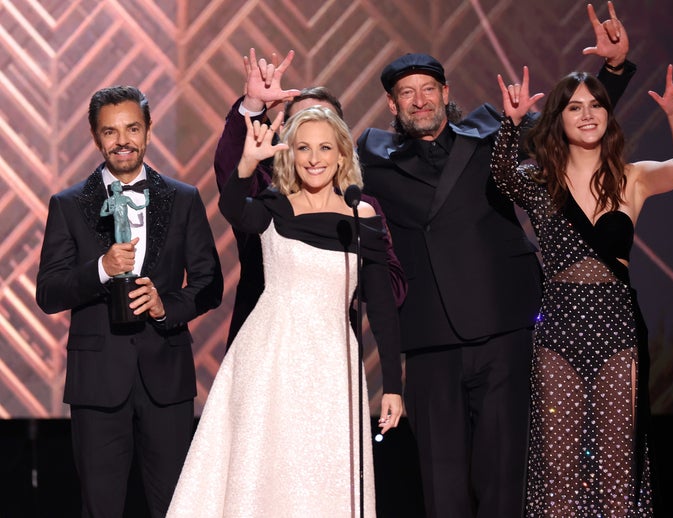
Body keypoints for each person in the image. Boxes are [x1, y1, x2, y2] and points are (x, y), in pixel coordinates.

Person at [355, 3, 635, 516]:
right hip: (429, 335)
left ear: (446, 94)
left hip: (503, 325)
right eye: (406, 94)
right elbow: (309, 170)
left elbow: (572, 132)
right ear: (392, 105)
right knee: (441, 486)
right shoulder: (371, 156)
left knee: (505, 475)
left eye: (428, 89)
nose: (419, 101)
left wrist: (612, 72)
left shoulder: (492, 129)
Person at [167, 105, 404, 517]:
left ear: (342, 155)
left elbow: (382, 306)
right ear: (290, 154)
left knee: (323, 472)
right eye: (303, 148)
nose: (314, 158)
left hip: (333, 364)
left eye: (325, 147)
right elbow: (232, 208)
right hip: (270, 357)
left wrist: (394, 385)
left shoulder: (360, 215)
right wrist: (245, 163)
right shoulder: (273, 206)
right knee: (264, 468)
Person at [492, 63, 673, 515]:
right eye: (574, 107)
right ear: (558, 119)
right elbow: (501, 178)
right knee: (559, 465)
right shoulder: (539, 179)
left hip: (616, 329)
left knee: (617, 465)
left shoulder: (632, 177)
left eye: (596, 105)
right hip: (559, 330)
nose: (587, 115)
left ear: (608, 114)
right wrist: (509, 124)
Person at [35, 85, 224, 518]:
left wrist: (166, 306)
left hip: (166, 375)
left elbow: (209, 283)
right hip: (97, 382)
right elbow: (49, 292)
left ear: (149, 130)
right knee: (100, 508)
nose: (122, 140)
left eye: (132, 128)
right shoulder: (67, 205)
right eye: (110, 131)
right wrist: (100, 268)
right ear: (94, 136)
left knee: (176, 506)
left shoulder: (183, 198)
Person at [214, 48, 407, 349]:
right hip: (262, 345)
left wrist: (335, 271)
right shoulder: (266, 192)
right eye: (304, 125)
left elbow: (393, 288)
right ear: (287, 140)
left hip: (332, 348)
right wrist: (252, 107)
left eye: (325, 126)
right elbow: (232, 173)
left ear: (341, 141)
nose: (315, 140)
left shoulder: (360, 206)